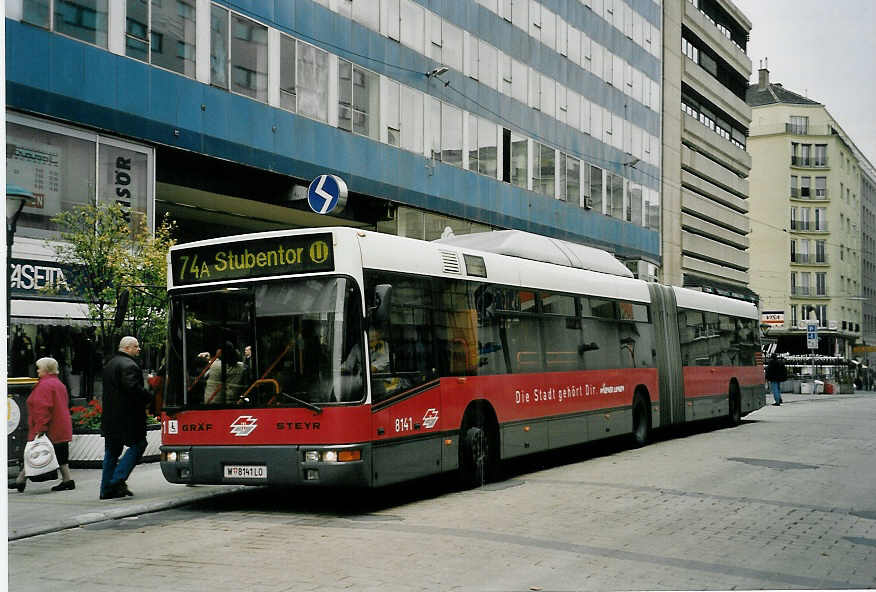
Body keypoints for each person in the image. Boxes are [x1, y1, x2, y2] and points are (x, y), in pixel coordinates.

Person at [8, 357, 75, 493]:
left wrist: (40, 427)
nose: (37, 370)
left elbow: (42, 408)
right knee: (60, 454)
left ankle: (21, 480)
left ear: (46, 369)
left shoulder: (44, 386)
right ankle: (67, 480)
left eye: (39, 368)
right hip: (61, 424)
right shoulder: (58, 383)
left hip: (49, 427)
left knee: (33, 452)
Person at [100, 336, 153, 500]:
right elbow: (133, 389)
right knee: (139, 444)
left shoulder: (110, 364)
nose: (139, 350)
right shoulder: (130, 365)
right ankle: (117, 480)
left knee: (111, 452)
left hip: (110, 417)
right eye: (136, 347)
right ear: (128, 348)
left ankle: (105, 489)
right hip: (128, 417)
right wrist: (149, 396)